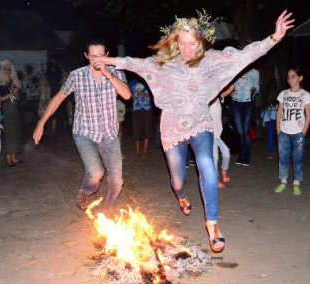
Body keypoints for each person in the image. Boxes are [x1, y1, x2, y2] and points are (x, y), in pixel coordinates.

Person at [92, 10, 294, 253]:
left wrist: (274, 37)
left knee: (207, 163)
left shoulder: (212, 60)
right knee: (177, 181)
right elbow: (136, 63)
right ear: (175, 43)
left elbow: (245, 56)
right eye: (182, 43)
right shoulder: (165, 65)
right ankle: (181, 195)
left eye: (191, 43)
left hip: (200, 122)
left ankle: (213, 225)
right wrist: (108, 61)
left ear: (200, 42)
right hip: (172, 126)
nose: (186, 49)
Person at [33, 39, 131, 209]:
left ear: (107, 55)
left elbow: (127, 95)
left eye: (101, 55)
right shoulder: (76, 76)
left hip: (109, 133)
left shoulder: (116, 73)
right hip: (84, 133)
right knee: (96, 173)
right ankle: (86, 191)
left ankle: (108, 213)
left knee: (117, 182)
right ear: (86, 56)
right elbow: (57, 99)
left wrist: (108, 74)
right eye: (93, 56)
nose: (97, 60)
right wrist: (41, 123)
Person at [274, 66, 310, 195]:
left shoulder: (305, 95)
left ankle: (297, 182)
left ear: (300, 78)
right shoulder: (283, 94)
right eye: (288, 76)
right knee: (283, 157)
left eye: (293, 76)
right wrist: (278, 130)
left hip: (298, 132)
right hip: (284, 132)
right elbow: (279, 112)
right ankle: (283, 181)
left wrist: (304, 132)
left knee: (298, 158)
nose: (290, 79)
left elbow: (308, 115)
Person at [0, 60, 23, 167]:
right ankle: (8, 158)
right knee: (9, 133)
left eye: (9, 68)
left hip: (15, 108)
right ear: (2, 70)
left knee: (15, 132)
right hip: (5, 110)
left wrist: (16, 95)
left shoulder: (13, 81)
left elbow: (18, 97)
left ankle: (14, 157)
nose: (7, 71)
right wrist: (11, 93)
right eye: (5, 68)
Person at [231, 68, 260, 166]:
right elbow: (229, 85)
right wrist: (230, 92)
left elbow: (257, 87)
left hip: (248, 103)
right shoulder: (235, 70)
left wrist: (254, 90)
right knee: (239, 131)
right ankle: (241, 154)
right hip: (236, 102)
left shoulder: (255, 72)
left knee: (246, 130)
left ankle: (245, 156)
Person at [210, 85, 234, 188]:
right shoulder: (205, 101)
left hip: (221, 134)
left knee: (227, 155)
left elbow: (231, 88)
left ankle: (224, 171)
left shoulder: (220, 97)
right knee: (215, 158)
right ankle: (215, 179)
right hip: (211, 134)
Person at [129, 78, 153, 158]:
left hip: (147, 110)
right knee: (136, 130)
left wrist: (144, 94)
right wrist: (134, 95)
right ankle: (137, 150)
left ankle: (145, 150)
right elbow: (128, 96)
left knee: (147, 129)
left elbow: (154, 97)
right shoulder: (132, 82)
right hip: (136, 110)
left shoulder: (149, 81)